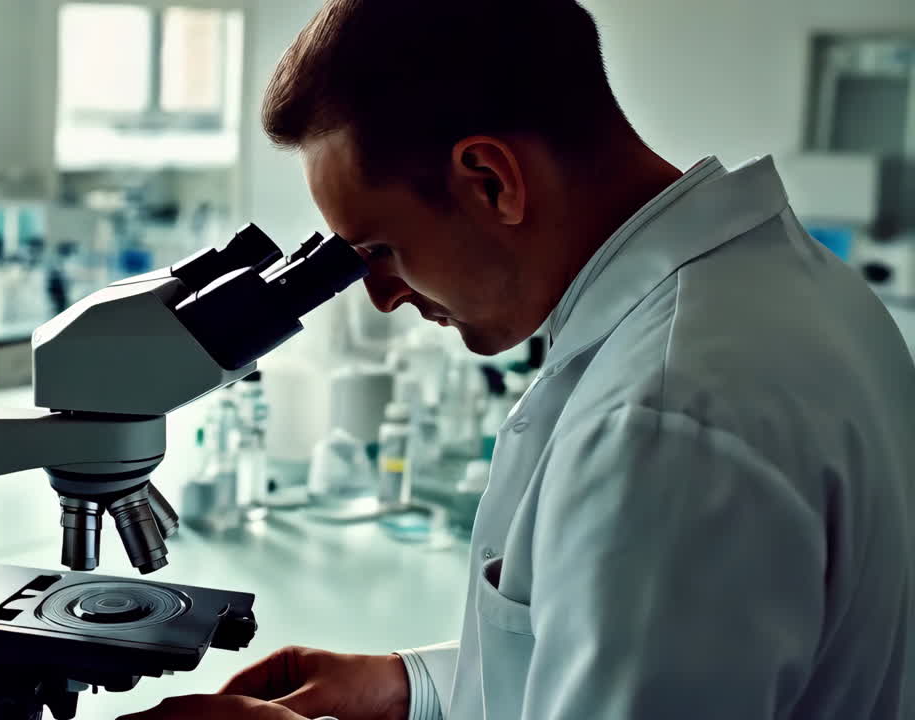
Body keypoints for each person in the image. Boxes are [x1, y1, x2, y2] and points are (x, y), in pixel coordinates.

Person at [120, 1, 915, 718]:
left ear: (491, 180)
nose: (382, 297)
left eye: (380, 251)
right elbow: (656, 664)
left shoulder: (667, 418)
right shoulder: (789, 291)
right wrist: (412, 687)